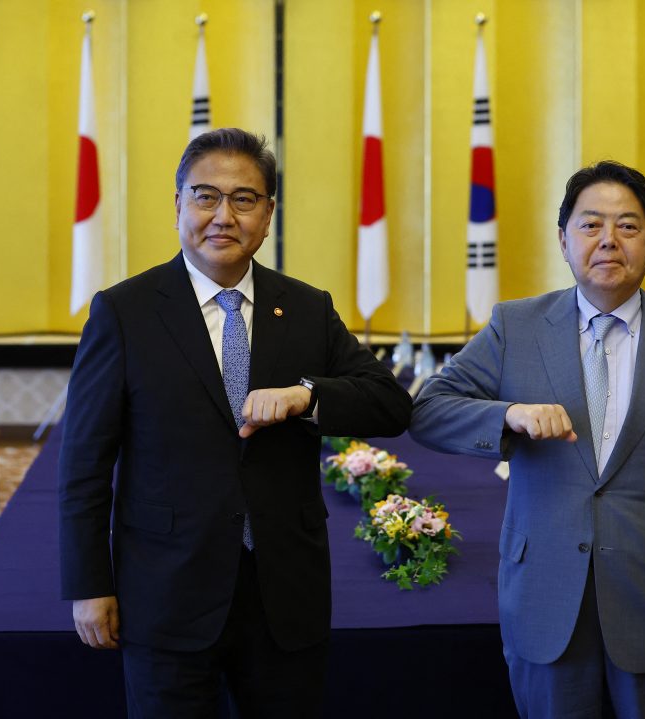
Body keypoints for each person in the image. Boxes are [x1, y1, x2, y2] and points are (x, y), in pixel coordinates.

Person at [58, 128, 412, 718]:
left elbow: (390, 405)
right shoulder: (124, 312)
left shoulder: (306, 307)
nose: (224, 215)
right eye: (205, 196)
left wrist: (306, 395)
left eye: (244, 199)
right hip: (167, 592)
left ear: (268, 214)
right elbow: (84, 466)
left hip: (283, 594)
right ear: (177, 206)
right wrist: (89, 585)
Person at [409, 161, 645, 718]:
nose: (608, 242)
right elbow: (426, 411)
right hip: (546, 598)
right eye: (591, 225)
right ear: (564, 240)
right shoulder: (514, 327)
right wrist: (509, 415)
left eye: (628, 226)